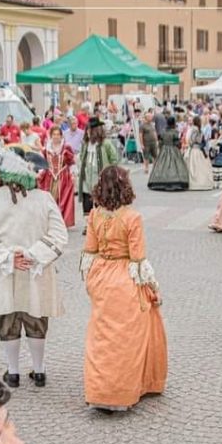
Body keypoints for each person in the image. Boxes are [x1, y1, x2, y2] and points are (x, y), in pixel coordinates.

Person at [0, 149, 68, 388]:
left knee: (8, 318)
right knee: (36, 316)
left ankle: (13, 373)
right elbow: (59, 236)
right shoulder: (43, 198)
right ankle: (39, 370)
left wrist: (7, 258)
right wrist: (33, 255)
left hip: (5, 271)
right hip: (35, 270)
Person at [80, 166, 167, 411]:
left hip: (102, 277)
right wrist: (152, 288)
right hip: (124, 279)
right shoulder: (132, 217)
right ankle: (124, 391)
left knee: (103, 336)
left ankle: (100, 390)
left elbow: (89, 252)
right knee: (126, 338)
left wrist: (93, 280)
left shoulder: (95, 215)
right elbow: (138, 259)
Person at [76, 117, 119, 234]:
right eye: (87, 130)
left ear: (96, 130)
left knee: (100, 200)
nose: (87, 132)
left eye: (90, 130)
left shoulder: (105, 144)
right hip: (87, 175)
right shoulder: (85, 144)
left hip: (100, 176)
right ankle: (88, 225)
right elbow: (81, 157)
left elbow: (114, 159)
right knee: (87, 201)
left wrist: (110, 173)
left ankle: (102, 224)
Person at [37, 126, 76, 228]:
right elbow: (42, 163)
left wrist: (72, 175)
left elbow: (71, 163)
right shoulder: (46, 149)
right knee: (49, 199)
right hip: (49, 177)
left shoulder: (66, 148)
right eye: (54, 134)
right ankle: (49, 221)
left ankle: (59, 221)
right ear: (51, 136)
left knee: (61, 200)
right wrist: (40, 173)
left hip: (63, 177)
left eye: (58, 134)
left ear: (61, 136)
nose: (56, 137)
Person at [148, 116, 190, 192]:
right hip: (173, 149)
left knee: (163, 165)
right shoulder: (175, 132)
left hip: (164, 149)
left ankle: (160, 181)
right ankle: (175, 181)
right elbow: (177, 144)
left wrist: (162, 149)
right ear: (173, 123)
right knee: (175, 165)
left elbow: (160, 143)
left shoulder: (163, 132)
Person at [184, 116, 214, 191]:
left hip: (194, 149)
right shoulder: (200, 130)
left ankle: (194, 183)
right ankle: (202, 182)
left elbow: (191, 140)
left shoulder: (193, 130)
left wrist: (190, 144)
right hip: (199, 150)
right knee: (201, 167)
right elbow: (202, 141)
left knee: (193, 167)